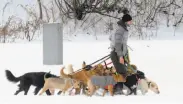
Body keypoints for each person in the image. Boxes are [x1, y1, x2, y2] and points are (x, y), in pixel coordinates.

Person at [109, 9, 133, 81]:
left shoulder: (123, 29)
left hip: (120, 53)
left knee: (125, 71)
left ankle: (121, 87)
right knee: (122, 73)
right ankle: (117, 89)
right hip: (117, 54)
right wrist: (120, 56)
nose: (131, 22)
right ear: (126, 21)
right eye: (130, 21)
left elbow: (111, 38)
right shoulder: (120, 30)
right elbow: (118, 44)